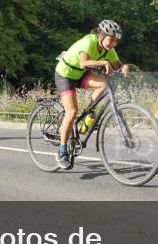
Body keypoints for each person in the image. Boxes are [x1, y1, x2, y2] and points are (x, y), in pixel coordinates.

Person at [54, 20, 131, 169]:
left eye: (116, 41)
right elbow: (83, 63)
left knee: (104, 84)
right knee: (71, 111)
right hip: (65, 74)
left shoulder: (109, 49)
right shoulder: (88, 42)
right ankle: (62, 152)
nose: (113, 43)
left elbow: (118, 64)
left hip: (81, 75)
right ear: (101, 35)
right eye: (111, 39)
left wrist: (125, 66)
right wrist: (104, 64)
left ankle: (88, 113)